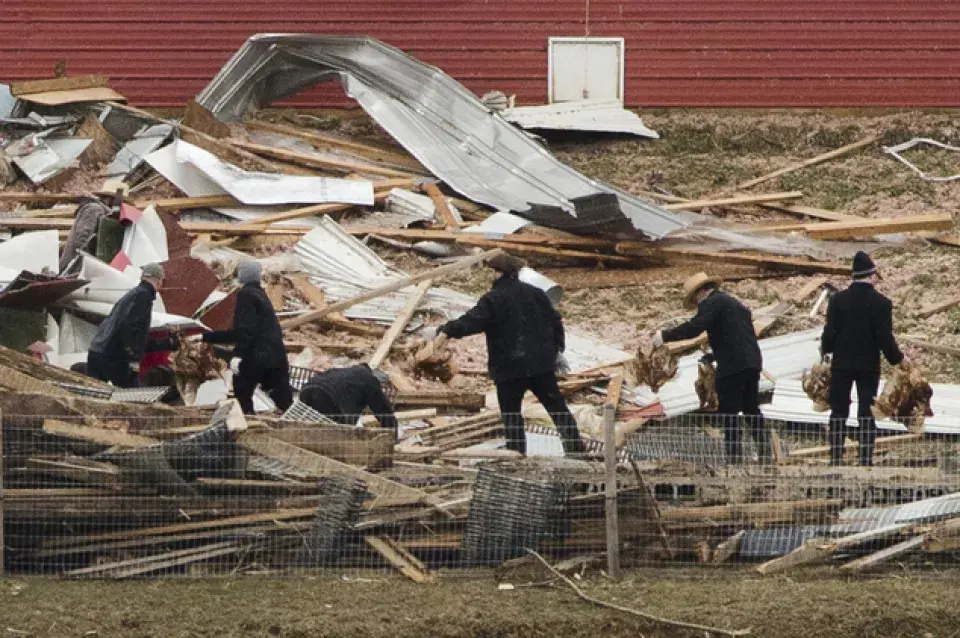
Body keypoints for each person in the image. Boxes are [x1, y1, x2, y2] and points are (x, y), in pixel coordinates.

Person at [423, 254, 584, 456]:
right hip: (540, 366)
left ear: (498, 273)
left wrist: (446, 330)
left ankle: (516, 455)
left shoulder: (494, 299)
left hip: (509, 368)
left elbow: (472, 321)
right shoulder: (536, 293)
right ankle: (577, 450)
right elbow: (555, 322)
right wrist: (557, 350)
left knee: (511, 415)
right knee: (558, 409)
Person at [653, 272, 769, 464]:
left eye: (695, 300)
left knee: (729, 412)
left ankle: (735, 460)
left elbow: (696, 327)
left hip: (732, 366)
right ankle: (765, 456)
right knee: (751, 408)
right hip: (752, 362)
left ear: (700, 293)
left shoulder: (711, 303)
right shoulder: (735, 304)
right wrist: (713, 356)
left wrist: (666, 336)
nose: (697, 305)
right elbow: (738, 336)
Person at [821, 251, 904, 467]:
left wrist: (826, 350)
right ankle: (865, 459)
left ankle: (835, 457)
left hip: (842, 364)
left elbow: (830, 332)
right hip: (868, 365)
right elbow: (884, 337)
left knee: (839, 410)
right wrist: (898, 360)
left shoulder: (837, 300)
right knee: (867, 411)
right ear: (871, 275)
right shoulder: (882, 303)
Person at [198, 260, 293, 415]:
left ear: (242, 276)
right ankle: (298, 428)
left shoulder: (245, 295)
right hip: (276, 355)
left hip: (256, 357)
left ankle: (249, 429)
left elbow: (245, 332)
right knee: (284, 400)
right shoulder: (261, 295)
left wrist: (237, 355)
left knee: (243, 394)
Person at [86, 262, 177, 387]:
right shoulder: (143, 296)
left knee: (94, 396)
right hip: (113, 358)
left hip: (97, 351)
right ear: (159, 280)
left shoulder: (132, 295)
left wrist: (168, 343)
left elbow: (137, 337)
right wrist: (132, 356)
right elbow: (130, 329)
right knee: (134, 396)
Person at [299, 364, 398, 434]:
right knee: (335, 436)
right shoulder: (369, 380)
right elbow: (384, 412)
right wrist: (392, 435)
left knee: (306, 427)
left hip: (306, 389)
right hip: (327, 396)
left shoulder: (346, 374)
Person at [60, 180, 126, 274]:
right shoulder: (94, 209)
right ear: (111, 199)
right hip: (75, 267)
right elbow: (81, 240)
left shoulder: (103, 213)